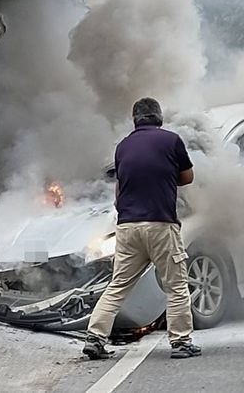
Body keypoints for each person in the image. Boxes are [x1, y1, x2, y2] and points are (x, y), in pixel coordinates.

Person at [83, 97, 201, 360]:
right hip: (160, 224)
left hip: (127, 227)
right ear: (159, 117)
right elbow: (188, 177)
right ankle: (181, 342)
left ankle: (95, 337)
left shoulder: (122, 147)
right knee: (176, 285)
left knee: (118, 285)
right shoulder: (171, 140)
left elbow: (119, 190)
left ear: (135, 120)